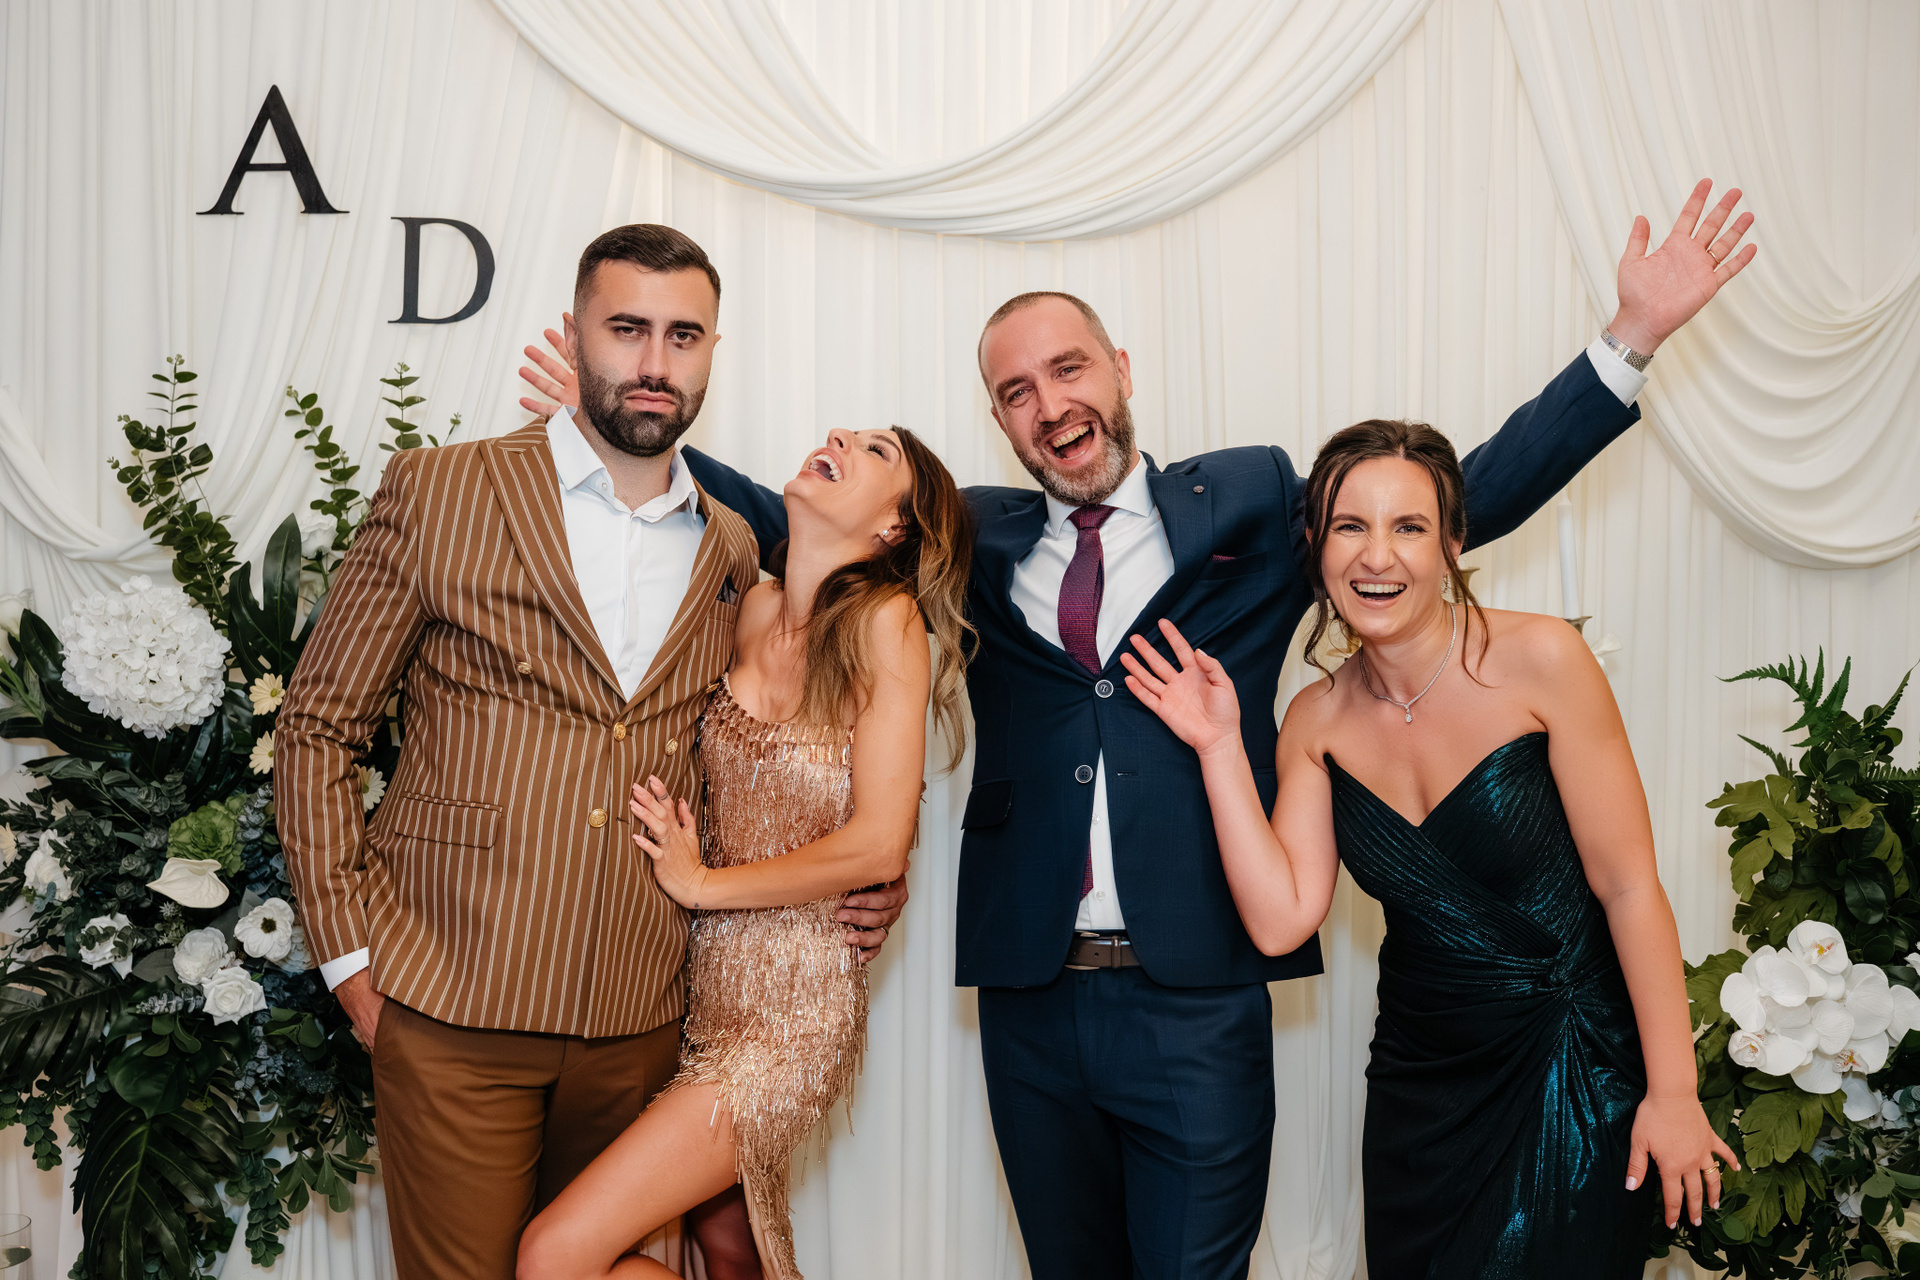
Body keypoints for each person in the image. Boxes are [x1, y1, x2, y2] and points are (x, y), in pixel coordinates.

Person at [519, 180, 1756, 1279]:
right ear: (999, 420)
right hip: (1030, 999)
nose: (1050, 404)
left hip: (1198, 995)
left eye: (1069, 369)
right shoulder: (975, 538)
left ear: (1119, 367)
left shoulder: (1255, 502)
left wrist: (1628, 344)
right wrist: (634, 428)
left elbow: (1455, 496)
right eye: (1016, 391)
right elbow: (807, 521)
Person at [276, 224, 908, 1280]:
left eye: (682, 336)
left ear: (712, 353)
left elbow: (765, 756)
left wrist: (869, 871)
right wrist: (350, 961)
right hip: (452, 996)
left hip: (643, 1016)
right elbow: (317, 727)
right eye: (626, 329)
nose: (654, 362)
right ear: (574, 335)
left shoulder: (733, 551)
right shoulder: (442, 490)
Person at [1117, 416, 1738, 1277]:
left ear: (1451, 545)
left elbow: (1629, 887)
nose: (1378, 557)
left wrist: (1673, 1093)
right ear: (1315, 548)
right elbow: (1279, 922)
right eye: (1350, 526)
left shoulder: (1544, 659)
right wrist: (1221, 748)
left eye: (1408, 526)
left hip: (1574, 1068)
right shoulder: (1313, 720)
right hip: (1420, 1096)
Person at [515, 422, 972, 1280]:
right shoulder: (749, 605)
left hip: (790, 1016)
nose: (841, 437)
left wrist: (699, 885)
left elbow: (880, 842)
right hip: (688, 997)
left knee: (555, 1256)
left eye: (878, 452)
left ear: (894, 527)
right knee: (731, 1260)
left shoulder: (888, 622)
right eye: (847, 431)